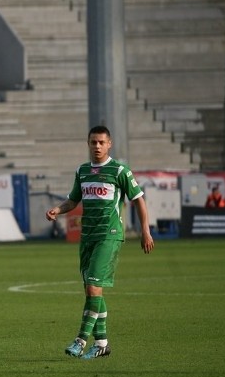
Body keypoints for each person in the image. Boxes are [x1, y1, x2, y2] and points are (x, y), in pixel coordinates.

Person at [46, 125, 154, 359]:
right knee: (92, 292)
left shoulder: (119, 171)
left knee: (94, 287)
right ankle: (102, 344)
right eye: (93, 142)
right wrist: (58, 209)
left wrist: (145, 230)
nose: (97, 146)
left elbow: (139, 200)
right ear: (88, 144)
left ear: (109, 144)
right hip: (88, 237)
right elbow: (72, 201)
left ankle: (80, 341)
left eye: (101, 142)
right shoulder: (82, 171)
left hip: (109, 234)